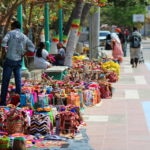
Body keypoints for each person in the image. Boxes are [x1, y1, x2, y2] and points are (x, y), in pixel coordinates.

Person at [0, 21, 35, 106]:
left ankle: (3, 102)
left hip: (9, 60)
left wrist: (6, 48)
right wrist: (24, 53)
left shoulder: (10, 33)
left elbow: (4, 42)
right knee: (18, 80)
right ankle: (18, 101)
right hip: (19, 60)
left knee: (5, 81)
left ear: (13, 26)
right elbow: (32, 48)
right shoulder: (24, 36)